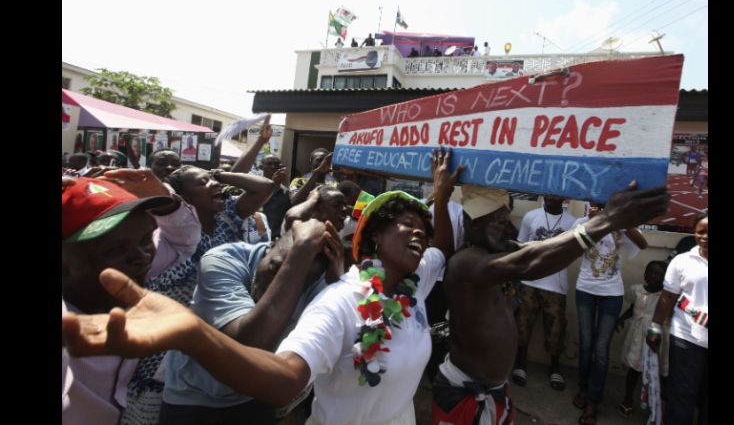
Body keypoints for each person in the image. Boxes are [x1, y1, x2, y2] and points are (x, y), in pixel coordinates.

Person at [63, 148, 463, 425]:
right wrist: (303, 251)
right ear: (285, 223)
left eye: (339, 213)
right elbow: (259, 349)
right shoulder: (232, 258)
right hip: (196, 405)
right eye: (311, 213)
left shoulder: (333, 276)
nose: (138, 256)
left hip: (253, 405)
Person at [432, 183, 668, 425]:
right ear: (474, 225)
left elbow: (537, 248)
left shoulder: (495, 251)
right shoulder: (466, 263)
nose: (510, 230)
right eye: (501, 223)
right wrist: (607, 220)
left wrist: (608, 221)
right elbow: (529, 262)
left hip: (493, 391)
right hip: (464, 396)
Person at [122, 166, 280, 425]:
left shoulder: (229, 216)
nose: (213, 185)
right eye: (202, 183)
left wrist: (218, 177)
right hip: (170, 339)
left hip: (223, 328)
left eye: (212, 180)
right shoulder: (167, 233)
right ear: (183, 198)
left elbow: (264, 186)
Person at [158, 219, 344, 424]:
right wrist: (302, 249)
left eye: (295, 284)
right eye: (276, 268)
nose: (275, 287)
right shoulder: (223, 259)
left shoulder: (319, 281)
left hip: (257, 396)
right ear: (270, 245)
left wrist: (336, 285)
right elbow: (246, 346)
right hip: (195, 398)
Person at [62, 170, 202, 425]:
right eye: (115, 249)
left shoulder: (130, 273)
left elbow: (183, 243)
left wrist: (166, 201)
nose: (142, 257)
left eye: (147, 239)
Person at [571, 202, 649, 425]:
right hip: (585, 290)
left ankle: (593, 401)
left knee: (601, 349)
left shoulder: (622, 225)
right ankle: (584, 389)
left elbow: (643, 244)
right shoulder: (582, 223)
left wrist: (619, 220)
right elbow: (574, 249)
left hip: (611, 294)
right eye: (596, 205)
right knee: (586, 344)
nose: (600, 208)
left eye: (605, 205)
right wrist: (595, 222)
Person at [647, 212, 707, 425]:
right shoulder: (682, 260)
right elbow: (668, 297)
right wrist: (655, 326)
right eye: (701, 232)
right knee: (681, 395)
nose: (705, 236)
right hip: (685, 337)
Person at [511, 195, 577, 391]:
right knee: (523, 324)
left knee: (556, 328)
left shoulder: (572, 222)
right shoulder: (531, 216)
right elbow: (520, 245)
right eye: (548, 193)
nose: (550, 197)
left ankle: (555, 367)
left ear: (564, 198)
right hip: (529, 280)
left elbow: (573, 252)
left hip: (556, 285)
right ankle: (520, 363)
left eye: (556, 194)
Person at [614, 260, 669, 418]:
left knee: (659, 373)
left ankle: (657, 405)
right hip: (638, 336)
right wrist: (621, 319)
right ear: (645, 274)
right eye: (650, 272)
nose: (653, 276)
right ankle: (627, 400)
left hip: (658, 337)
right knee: (634, 369)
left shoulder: (666, 296)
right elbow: (633, 309)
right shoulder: (636, 290)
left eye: (658, 274)